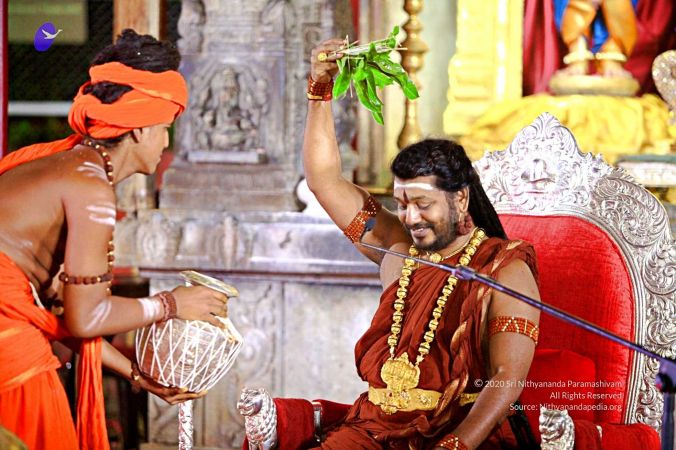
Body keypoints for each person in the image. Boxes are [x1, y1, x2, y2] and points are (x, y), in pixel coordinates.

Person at [302, 40, 541, 450]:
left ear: (460, 198)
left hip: (459, 433)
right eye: (402, 204)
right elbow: (324, 180)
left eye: (423, 204)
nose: (410, 218)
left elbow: (507, 378)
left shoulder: (504, 270)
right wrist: (319, 89)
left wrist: (457, 444)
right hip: (372, 430)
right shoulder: (396, 251)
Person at [0, 29, 229, 450]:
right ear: (140, 128)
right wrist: (171, 304)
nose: (165, 142)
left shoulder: (73, 167)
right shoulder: (89, 185)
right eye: (165, 128)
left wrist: (138, 375)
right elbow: (86, 319)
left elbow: (64, 313)